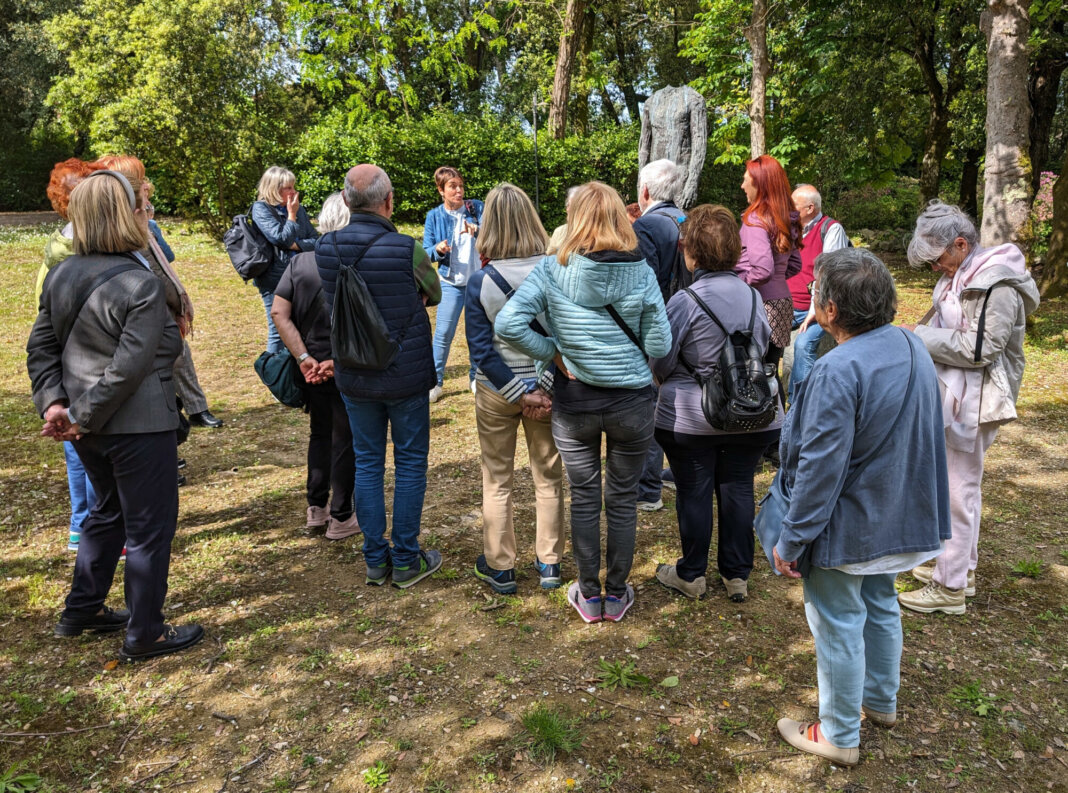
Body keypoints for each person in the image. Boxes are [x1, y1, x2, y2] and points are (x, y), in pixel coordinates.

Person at [772, 248, 950, 765]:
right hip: (897, 515)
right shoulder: (910, 345)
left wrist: (792, 538)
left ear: (828, 308)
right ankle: (880, 701)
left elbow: (818, 469)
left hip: (849, 524)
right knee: (879, 603)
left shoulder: (837, 369)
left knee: (838, 621)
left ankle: (839, 734)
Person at [27, 170, 203, 661]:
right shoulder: (140, 283)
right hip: (137, 425)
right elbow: (130, 367)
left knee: (107, 513)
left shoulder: (63, 273)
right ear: (126, 215)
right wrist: (74, 413)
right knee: (149, 528)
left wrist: (57, 405)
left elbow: (40, 348)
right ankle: (145, 632)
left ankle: (81, 609)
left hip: (89, 429)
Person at [495, 181, 671, 624]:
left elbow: (508, 323)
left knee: (586, 497)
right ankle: (617, 593)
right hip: (631, 401)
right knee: (624, 498)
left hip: (575, 403)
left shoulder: (554, 269)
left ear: (575, 220)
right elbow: (660, 342)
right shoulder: (642, 271)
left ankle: (589, 595)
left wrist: (553, 349)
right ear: (619, 217)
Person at [898, 201, 1039, 615]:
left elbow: (982, 349)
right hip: (955, 391)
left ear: (961, 244)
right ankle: (960, 567)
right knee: (956, 484)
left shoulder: (999, 283)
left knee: (959, 489)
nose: (935, 267)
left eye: (939, 258)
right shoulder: (962, 271)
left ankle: (950, 587)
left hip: (978, 398)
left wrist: (919, 337)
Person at [316, 164, 444, 589]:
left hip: (355, 372)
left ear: (347, 200)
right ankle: (406, 558)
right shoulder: (406, 248)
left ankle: (375, 559)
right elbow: (435, 292)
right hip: (404, 372)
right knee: (409, 464)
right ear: (388, 202)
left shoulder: (325, 249)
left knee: (368, 464)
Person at [651, 205, 782, 603]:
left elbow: (662, 359)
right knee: (738, 485)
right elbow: (764, 347)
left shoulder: (684, 301)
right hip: (751, 413)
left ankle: (692, 573)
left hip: (692, 415)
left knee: (693, 489)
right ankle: (736, 574)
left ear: (690, 251)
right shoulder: (754, 297)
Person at [464, 183, 564, 594]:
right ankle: (550, 564)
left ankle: (501, 566)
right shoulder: (557, 271)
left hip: (496, 390)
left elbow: (481, 351)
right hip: (548, 388)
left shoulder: (481, 280)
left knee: (497, 478)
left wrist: (516, 392)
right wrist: (539, 387)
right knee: (548, 477)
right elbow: (564, 337)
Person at [96, 155, 222, 431]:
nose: (144, 185)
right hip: (144, 304)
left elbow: (167, 257)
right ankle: (174, 424)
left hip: (159, 302)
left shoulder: (145, 222)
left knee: (179, 355)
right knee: (161, 362)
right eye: (138, 179)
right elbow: (153, 270)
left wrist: (150, 226)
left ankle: (196, 409)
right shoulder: (121, 230)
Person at [271, 193, 358, 541]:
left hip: (310, 366)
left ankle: (316, 508)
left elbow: (279, 312)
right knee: (344, 439)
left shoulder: (300, 262)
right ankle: (340, 516)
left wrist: (303, 357)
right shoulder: (354, 260)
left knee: (320, 434)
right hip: (345, 364)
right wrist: (332, 361)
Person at [38, 158, 101, 552]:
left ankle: (83, 526)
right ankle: (95, 526)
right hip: (81, 356)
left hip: (73, 356)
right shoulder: (73, 248)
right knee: (86, 443)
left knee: (78, 446)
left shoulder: (59, 243)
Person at [632, 158, 690, 511]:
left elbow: (646, 284)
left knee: (650, 405)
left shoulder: (646, 225)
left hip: (660, 324)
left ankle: (648, 488)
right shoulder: (688, 219)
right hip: (694, 320)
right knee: (683, 400)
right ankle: (683, 474)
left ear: (646, 191)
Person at [734, 155, 802, 373]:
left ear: (760, 184)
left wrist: (736, 282)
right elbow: (794, 265)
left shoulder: (756, 220)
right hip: (782, 303)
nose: (742, 185)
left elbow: (762, 270)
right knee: (770, 372)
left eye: (746, 180)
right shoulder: (784, 217)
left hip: (760, 306)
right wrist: (777, 279)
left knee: (752, 376)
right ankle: (777, 408)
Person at [422, 167, 484, 402]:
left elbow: (496, 236)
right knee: (443, 334)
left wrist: (479, 231)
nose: (459, 191)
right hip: (449, 283)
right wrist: (437, 250)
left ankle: (476, 378)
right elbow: (425, 252)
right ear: (441, 190)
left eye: (460, 185)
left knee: (476, 333)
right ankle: (435, 383)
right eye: (452, 186)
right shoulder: (434, 216)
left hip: (478, 282)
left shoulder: (476, 208)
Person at [784, 184, 849, 404]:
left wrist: (815, 311)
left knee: (803, 345)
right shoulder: (790, 229)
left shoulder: (830, 229)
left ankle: (797, 405)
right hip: (786, 305)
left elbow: (829, 276)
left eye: (794, 205)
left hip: (816, 308)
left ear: (810, 208)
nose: (788, 209)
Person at [250, 166, 319, 355]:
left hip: (301, 275)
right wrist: (291, 216)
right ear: (274, 188)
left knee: (298, 327)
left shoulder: (299, 209)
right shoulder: (261, 209)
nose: (294, 192)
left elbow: (317, 241)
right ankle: (274, 373)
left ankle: (295, 372)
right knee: (278, 330)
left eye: (293, 187)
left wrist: (295, 246)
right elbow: (281, 239)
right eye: (288, 188)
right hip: (275, 279)